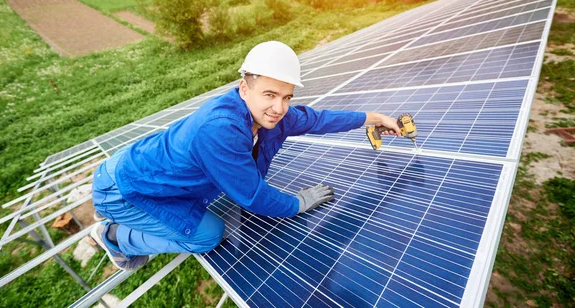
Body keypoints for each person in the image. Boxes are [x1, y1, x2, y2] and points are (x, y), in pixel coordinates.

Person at [90, 41, 401, 270]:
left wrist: (375, 118)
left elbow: (318, 119)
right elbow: (252, 196)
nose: (279, 108)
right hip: (125, 189)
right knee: (208, 235)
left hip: (158, 176)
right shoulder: (220, 129)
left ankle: (126, 222)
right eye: (269, 94)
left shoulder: (274, 116)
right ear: (244, 88)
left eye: (286, 97)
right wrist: (297, 204)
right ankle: (114, 235)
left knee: (209, 203)